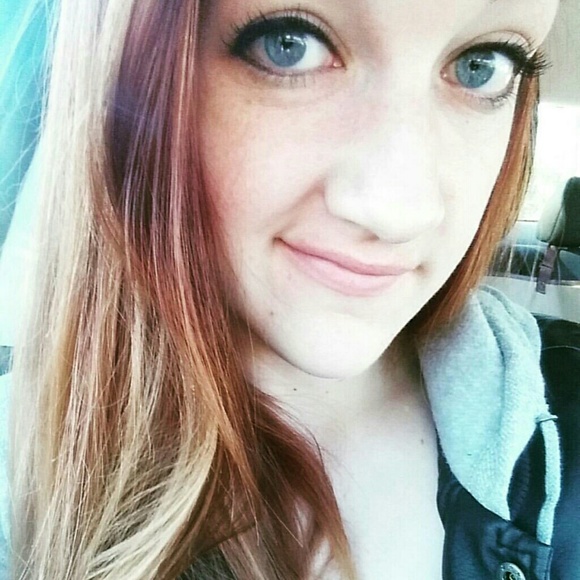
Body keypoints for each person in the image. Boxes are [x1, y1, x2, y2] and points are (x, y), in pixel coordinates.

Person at [1, 0, 577, 578]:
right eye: (289, 45)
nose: (399, 211)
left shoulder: (563, 412)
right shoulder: (15, 469)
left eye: (481, 66)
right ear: (133, 79)